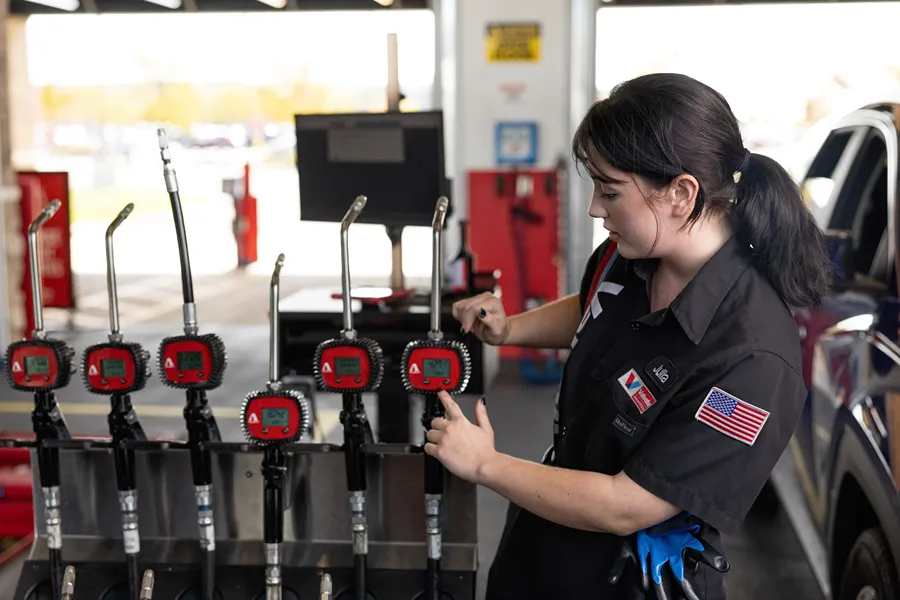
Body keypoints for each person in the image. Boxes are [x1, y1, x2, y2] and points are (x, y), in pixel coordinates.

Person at [423, 72, 832, 599]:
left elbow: (625, 505)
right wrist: (509, 330)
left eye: (610, 191)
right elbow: (595, 308)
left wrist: (485, 463)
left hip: (633, 579)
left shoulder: (751, 356)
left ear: (682, 194)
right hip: (548, 535)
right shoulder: (631, 254)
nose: (595, 208)